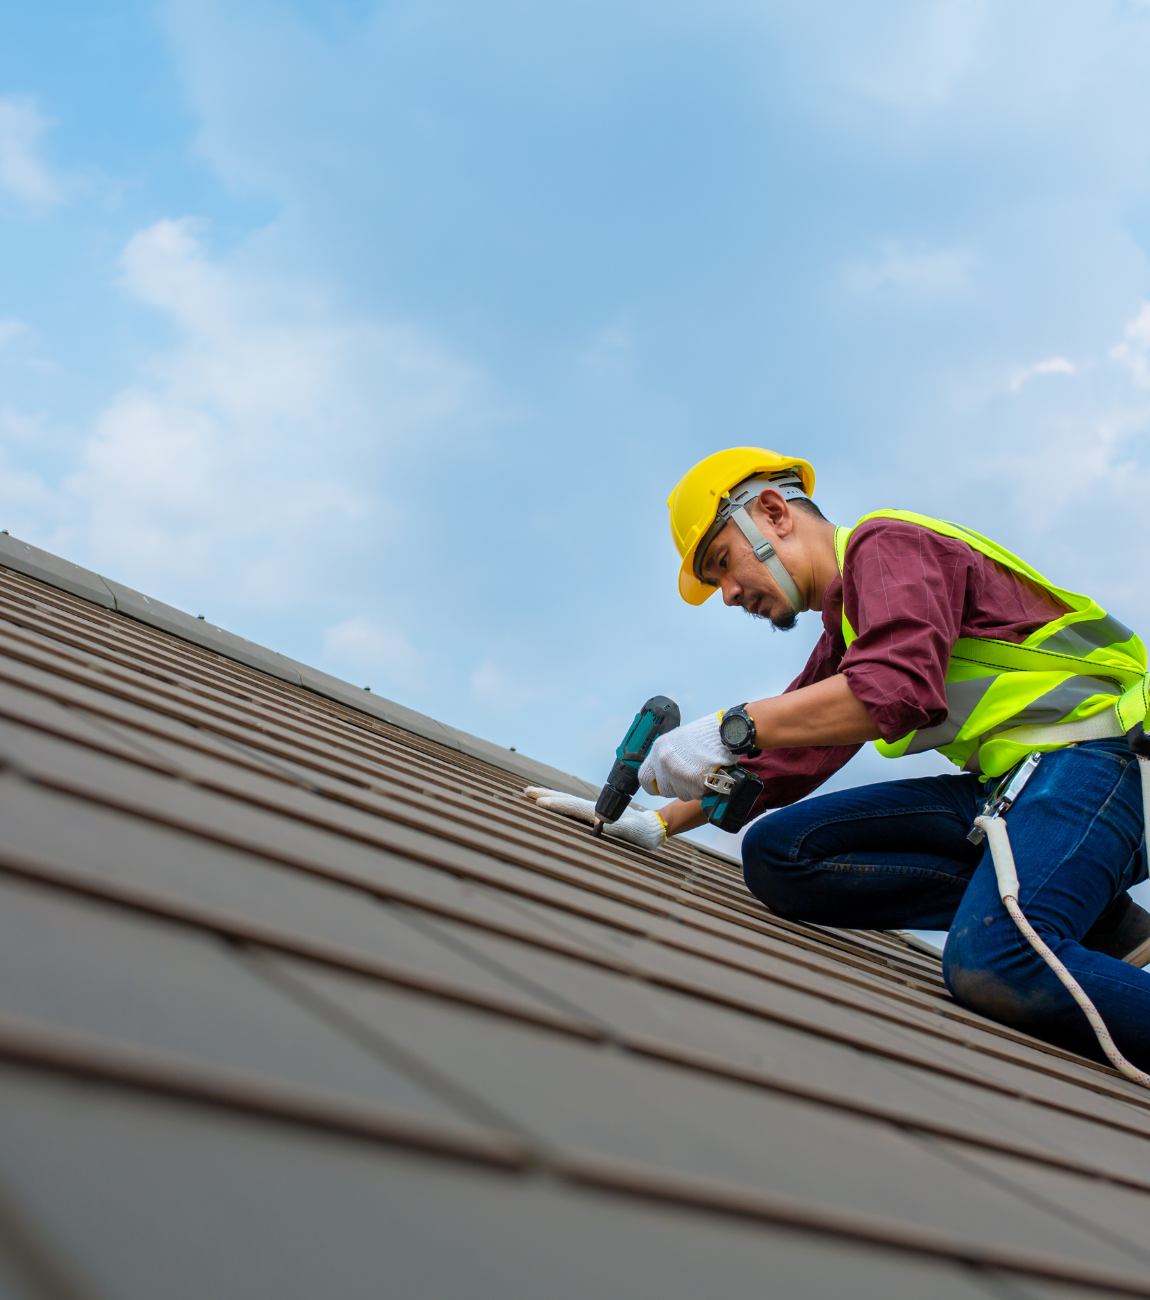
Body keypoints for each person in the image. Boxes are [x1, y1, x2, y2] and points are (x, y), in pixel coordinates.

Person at [527, 447, 1150, 1069]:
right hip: (1019, 787)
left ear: (773, 513)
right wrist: (660, 822)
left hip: (1101, 763)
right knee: (779, 855)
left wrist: (729, 728)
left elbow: (893, 689)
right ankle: (1106, 927)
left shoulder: (892, 546)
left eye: (723, 563)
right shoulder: (850, 625)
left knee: (995, 963)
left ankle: (1051, 924)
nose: (727, 594)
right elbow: (791, 753)